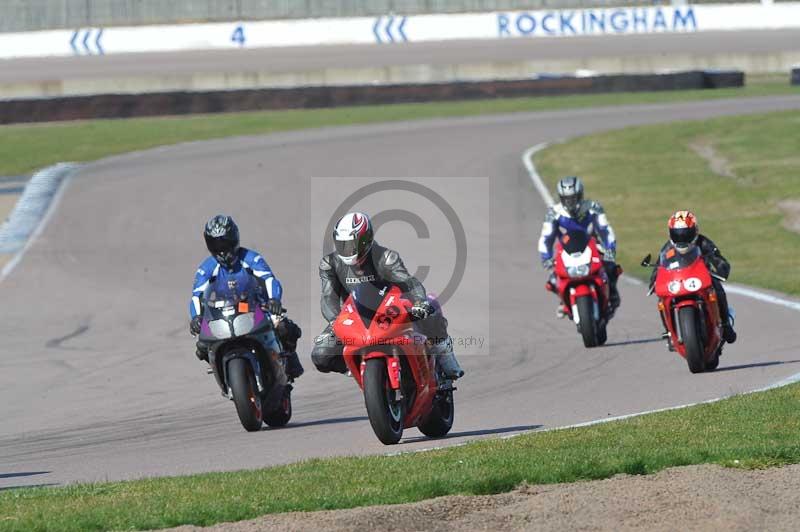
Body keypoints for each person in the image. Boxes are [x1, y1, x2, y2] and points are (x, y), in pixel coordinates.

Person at [310, 212, 464, 380]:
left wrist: (420, 302)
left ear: (365, 240)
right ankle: (363, 372)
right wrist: (335, 320)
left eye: (350, 244)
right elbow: (328, 296)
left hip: (390, 309)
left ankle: (444, 354)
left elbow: (408, 282)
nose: (345, 249)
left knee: (430, 308)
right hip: (355, 317)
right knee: (322, 354)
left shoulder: (385, 257)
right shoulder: (330, 264)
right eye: (341, 244)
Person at [189, 214, 304, 378]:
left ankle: (289, 358)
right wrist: (196, 317)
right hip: (222, 311)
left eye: (225, 242)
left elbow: (269, 279)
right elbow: (196, 295)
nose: (221, 248)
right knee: (201, 345)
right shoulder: (206, 268)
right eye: (215, 243)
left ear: (234, 239)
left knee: (283, 326)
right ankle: (220, 369)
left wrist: (273, 300)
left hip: (252, 306)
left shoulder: (251, 258)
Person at [650, 210, 737, 344]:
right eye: (677, 234)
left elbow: (718, 258)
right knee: (662, 300)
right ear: (670, 233)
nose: (682, 238)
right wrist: (654, 281)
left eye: (686, 233)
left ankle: (725, 325)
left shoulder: (703, 242)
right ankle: (668, 332)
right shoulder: (667, 248)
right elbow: (659, 266)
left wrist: (721, 269)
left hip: (701, 278)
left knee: (717, 288)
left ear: (694, 231)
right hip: (679, 280)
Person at [538, 176, 620, 317]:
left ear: (580, 195)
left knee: (611, 268)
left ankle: (612, 293)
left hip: (593, 246)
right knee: (552, 280)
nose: (570, 202)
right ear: (561, 198)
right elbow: (546, 238)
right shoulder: (554, 213)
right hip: (565, 251)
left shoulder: (593, 208)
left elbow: (606, 230)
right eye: (566, 198)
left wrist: (610, 248)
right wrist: (546, 258)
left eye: (574, 198)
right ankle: (563, 300)